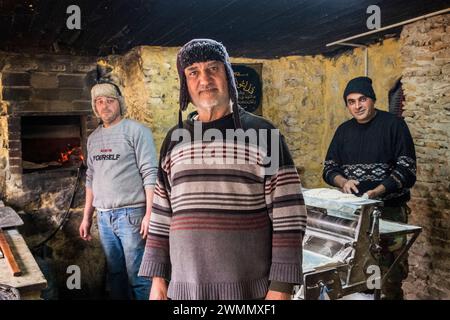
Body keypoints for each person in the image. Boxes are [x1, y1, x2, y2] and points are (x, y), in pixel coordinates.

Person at [138, 39, 307, 300]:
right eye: (193, 72)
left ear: (227, 74)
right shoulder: (174, 139)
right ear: (185, 83)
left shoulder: (264, 134)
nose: (204, 80)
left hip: (249, 292)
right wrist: (158, 282)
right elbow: (161, 215)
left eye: (213, 68)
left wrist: (281, 288)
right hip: (185, 292)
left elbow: (290, 216)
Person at [323, 76, 417, 300]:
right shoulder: (343, 131)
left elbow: (407, 170)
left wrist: (377, 192)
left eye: (362, 99)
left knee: (390, 276)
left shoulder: (394, 125)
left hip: (389, 214)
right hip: (356, 216)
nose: (357, 106)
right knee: (362, 274)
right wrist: (342, 182)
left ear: (372, 100)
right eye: (351, 101)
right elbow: (328, 169)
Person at [79, 82, 158, 300]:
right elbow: (91, 178)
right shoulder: (93, 138)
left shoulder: (136, 131)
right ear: (95, 107)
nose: (104, 106)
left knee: (139, 277)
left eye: (110, 101)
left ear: (119, 103)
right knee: (115, 274)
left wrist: (150, 215)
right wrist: (87, 217)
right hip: (103, 217)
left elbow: (150, 173)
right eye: (99, 102)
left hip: (132, 215)